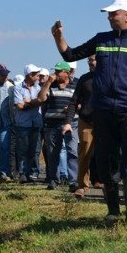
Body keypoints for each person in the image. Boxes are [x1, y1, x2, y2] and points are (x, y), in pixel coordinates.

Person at [52, 0, 127, 221]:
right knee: (107, 160)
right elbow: (70, 55)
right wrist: (58, 38)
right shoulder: (101, 40)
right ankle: (114, 210)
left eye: (113, 13)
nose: (109, 17)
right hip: (104, 110)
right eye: (108, 14)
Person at [38, 61, 78, 192]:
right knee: (53, 152)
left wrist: (74, 108)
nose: (55, 73)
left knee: (72, 151)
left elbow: (82, 103)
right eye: (55, 71)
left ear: (66, 73)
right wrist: (48, 82)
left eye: (58, 71)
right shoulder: (50, 84)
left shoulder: (76, 84)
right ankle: (54, 180)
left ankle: (73, 181)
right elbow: (41, 98)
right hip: (52, 123)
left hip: (71, 122)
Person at [66, 55, 102, 198]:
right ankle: (82, 186)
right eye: (89, 61)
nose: (90, 63)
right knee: (85, 151)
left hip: (105, 122)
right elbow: (74, 101)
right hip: (86, 121)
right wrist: (68, 121)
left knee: (105, 153)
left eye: (92, 60)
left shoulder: (109, 76)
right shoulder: (84, 79)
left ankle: (105, 183)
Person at [13, 64, 43, 183]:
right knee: (23, 150)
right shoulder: (18, 88)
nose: (38, 76)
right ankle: (23, 173)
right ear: (30, 75)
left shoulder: (38, 88)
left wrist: (29, 102)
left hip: (36, 122)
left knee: (34, 149)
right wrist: (35, 102)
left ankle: (33, 172)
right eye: (36, 74)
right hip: (23, 124)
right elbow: (19, 105)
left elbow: (42, 101)